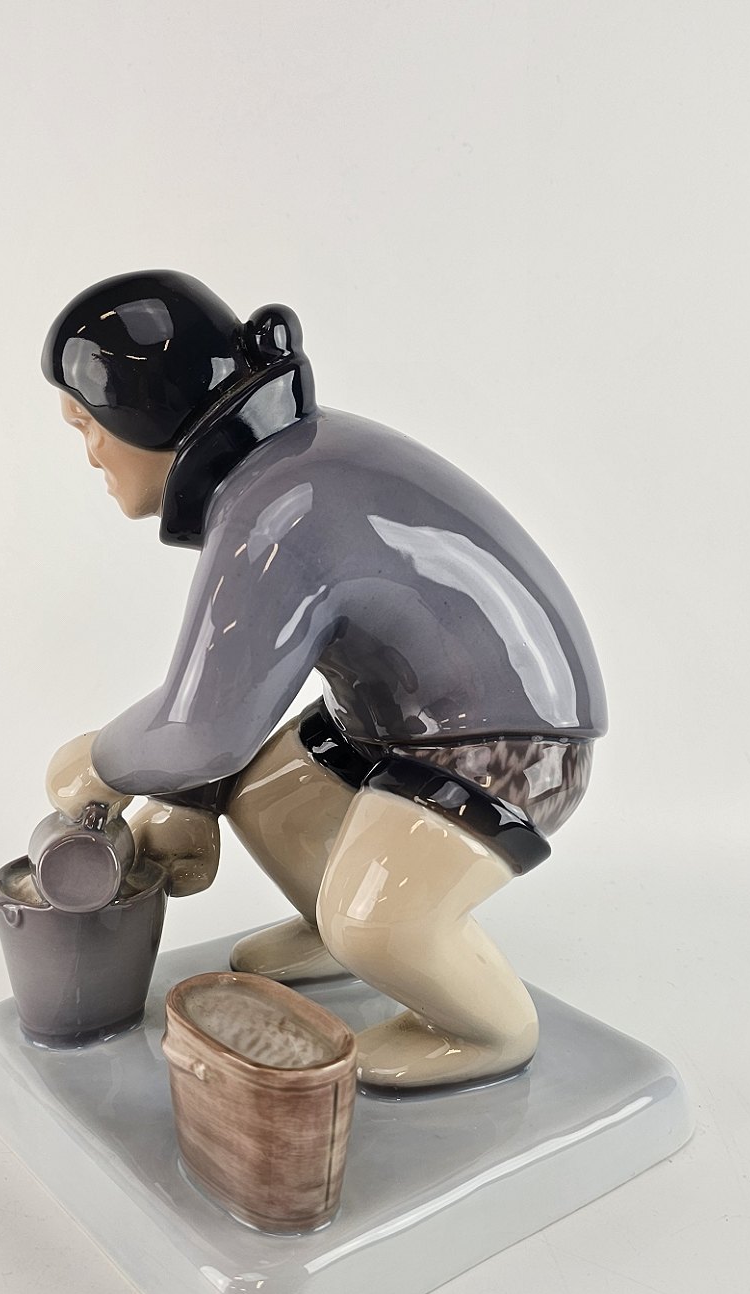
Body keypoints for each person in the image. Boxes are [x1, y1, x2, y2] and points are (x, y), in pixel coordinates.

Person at [41, 270, 607, 1091]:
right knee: (269, 801)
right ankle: (340, 932)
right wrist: (194, 798)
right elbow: (237, 694)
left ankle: (483, 1028)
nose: (90, 453)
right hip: (390, 719)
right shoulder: (277, 474)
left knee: (373, 923)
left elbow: (205, 728)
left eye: (89, 425)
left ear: (145, 416)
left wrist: (101, 763)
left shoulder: (277, 507)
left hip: (507, 741)